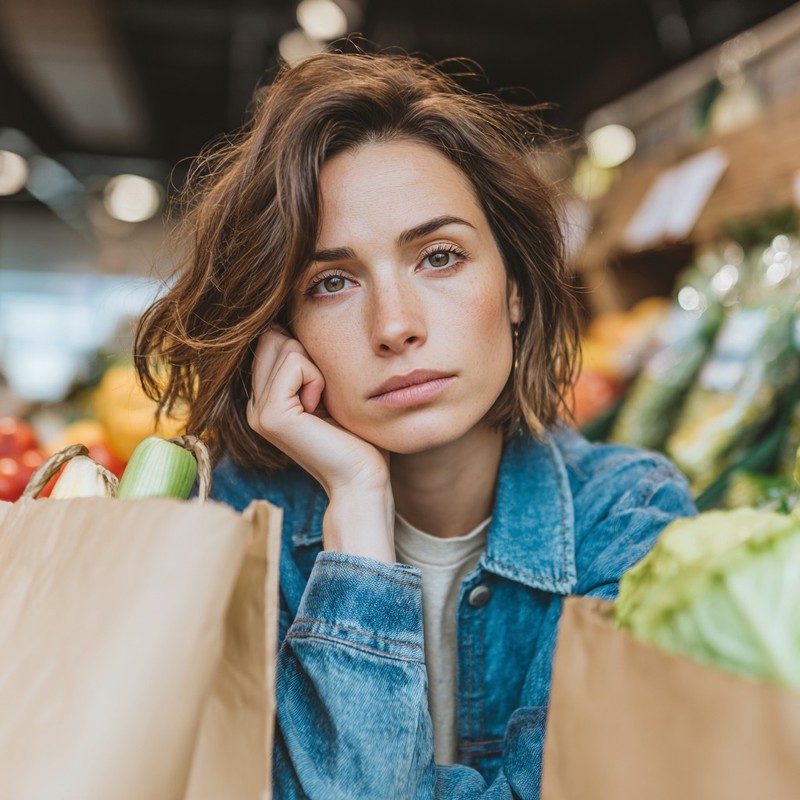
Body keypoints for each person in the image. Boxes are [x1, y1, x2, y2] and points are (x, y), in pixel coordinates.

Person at [134, 50, 696, 799]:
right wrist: (358, 512)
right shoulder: (234, 529)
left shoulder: (628, 520)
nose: (395, 325)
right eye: (331, 282)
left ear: (518, 289)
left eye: (439, 256)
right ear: (282, 329)